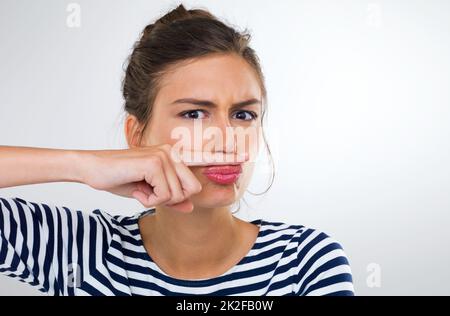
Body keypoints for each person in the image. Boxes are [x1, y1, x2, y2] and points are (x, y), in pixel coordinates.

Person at [0, 4, 354, 296]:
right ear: (137, 134)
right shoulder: (83, 251)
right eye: (194, 114)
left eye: (243, 114)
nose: (227, 139)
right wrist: (82, 165)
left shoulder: (303, 261)